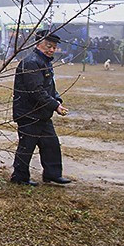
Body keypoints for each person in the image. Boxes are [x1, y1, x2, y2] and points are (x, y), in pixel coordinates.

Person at [11, 30, 71, 186]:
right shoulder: (31, 62)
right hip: (28, 113)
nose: (51, 50)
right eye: (48, 46)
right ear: (38, 44)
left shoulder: (44, 62)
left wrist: (57, 99)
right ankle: (19, 177)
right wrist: (55, 105)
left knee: (51, 145)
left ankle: (52, 174)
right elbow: (36, 91)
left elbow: (49, 87)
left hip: (42, 113)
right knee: (26, 147)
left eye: (54, 47)